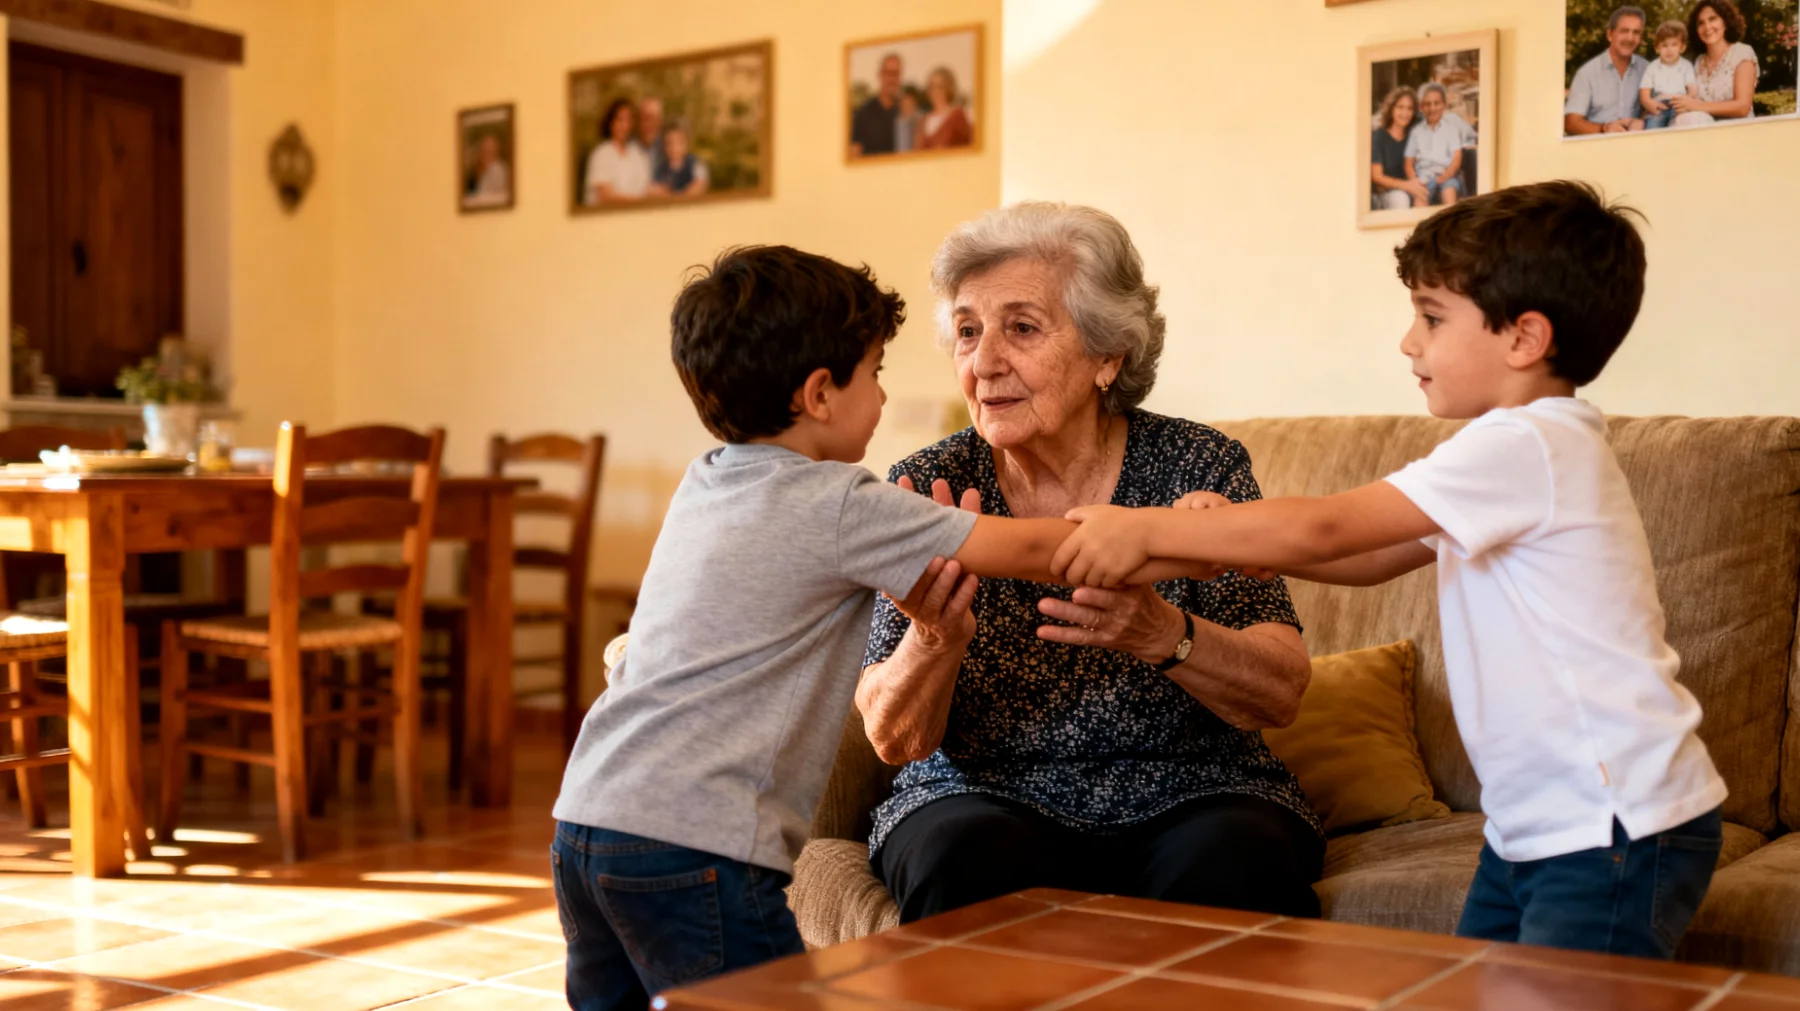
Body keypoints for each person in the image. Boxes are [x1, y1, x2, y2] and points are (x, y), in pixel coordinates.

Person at [1053, 181, 1728, 961]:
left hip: (1610, 821)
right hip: (1541, 825)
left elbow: (1329, 526)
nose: (1410, 342)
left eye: (1432, 317)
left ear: (1525, 337)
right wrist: (1226, 542)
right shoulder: (1517, 449)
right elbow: (1371, 556)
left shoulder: (1526, 445)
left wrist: (1147, 526)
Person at [551, 246, 1196, 1009]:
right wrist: (1193, 536)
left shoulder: (705, 479)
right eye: (875, 372)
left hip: (586, 819)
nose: (885, 393)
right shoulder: (841, 503)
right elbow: (1039, 550)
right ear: (821, 393)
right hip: (699, 843)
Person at [857, 202, 1323, 925]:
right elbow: (895, 740)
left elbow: (1280, 692)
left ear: (1109, 356)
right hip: (980, 796)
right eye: (968, 331)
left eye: (1021, 327)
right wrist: (933, 636)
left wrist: (1163, 633)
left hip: (1195, 792)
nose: (983, 363)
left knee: (1235, 859)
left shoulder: (1196, 466)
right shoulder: (928, 485)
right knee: (962, 856)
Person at [1669, 0, 1759, 126]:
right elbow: (1690, 103)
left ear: (1725, 22)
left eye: (1712, 19)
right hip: (1703, 129)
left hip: (1738, 130)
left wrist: (1698, 106)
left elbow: (1742, 107)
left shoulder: (1742, 53)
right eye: (1701, 23)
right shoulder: (1698, 62)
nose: (1707, 27)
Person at [1565, 6, 1650, 135]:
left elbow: (1659, 108)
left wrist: (1644, 120)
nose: (1630, 38)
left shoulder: (1647, 69)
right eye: (1624, 31)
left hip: (1637, 143)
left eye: (1636, 32)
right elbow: (1571, 123)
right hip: (1598, 144)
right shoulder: (1587, 73)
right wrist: (1604, 129)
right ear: (1610, 34)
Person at [1404, 84, 1473, 206]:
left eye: (1436, 103)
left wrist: (1446, 175)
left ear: (1444, 105)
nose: (1432, 108)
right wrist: (1414, 180)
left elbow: (1456, 159)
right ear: (1421, 107)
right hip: (1423, 177)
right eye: (1427, 104)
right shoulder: (1416, 132)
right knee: (1420, 198)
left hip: (1447, 174)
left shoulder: (1451, 130)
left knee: (1449, 192)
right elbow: (1408, 163)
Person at [582, 97, 652, 207]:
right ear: (611, 122)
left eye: (628, 120)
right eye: (620, 120)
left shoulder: (638, 154)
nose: (624, 125)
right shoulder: (601, 154)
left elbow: (646, 189)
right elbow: (605, 196)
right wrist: (638, 202)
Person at [1371, 87, 1428, 210]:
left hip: (1411, 187)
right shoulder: (1379, 137)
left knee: (1423, 195)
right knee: (1400, 198)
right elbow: (1376, 176)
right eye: (1400, 107)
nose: (1405, 113)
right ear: (1391, 109)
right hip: (1388, 193)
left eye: (1409, 108)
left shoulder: (1414, 135)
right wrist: (1406, 186)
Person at [1640, 21, 1699, 130]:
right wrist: (1648, 103)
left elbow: (1692, 89)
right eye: (1664, 45)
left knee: (1681, 128)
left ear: (1682, 47)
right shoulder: (1652, 67)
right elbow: (1644, 92)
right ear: (1657, 48)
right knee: (1652, 128)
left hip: (1678, 103)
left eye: (1674, 45)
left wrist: (1688, 101)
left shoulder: (1686, 66)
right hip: (1659, 105)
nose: (1669, 49)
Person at [851, 52, 903, 157]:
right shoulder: (863, 114)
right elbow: (853, 154)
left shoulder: (905, 114)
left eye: (896, 74)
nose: (893, 79)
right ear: (880, 75)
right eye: (889, 73)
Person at [916, 66, 974, 150]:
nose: (935, 91)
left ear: (948, 88)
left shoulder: (957, 116)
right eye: (932, 86)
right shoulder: (923, 121)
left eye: (940, 87)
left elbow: (970, 145)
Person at [651, 123, 709, 198]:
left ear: (686, 143)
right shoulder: (661, 169)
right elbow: (654, 189)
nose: (674, 147)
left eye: (679, 142)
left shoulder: (695, 163)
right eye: (669, 143)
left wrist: (680, 196)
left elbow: (701, 183)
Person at [464, 133, 509, 206]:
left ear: (496, 153)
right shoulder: (475, 174)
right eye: (483, 151)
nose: (486, 155)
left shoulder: (500, 171)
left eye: (490, 151)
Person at [637, 95, 667, 176]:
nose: (649, 124)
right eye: (645, 118)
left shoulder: (668, 146)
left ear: (660, 121)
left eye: (653, 118)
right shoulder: (629, 146)